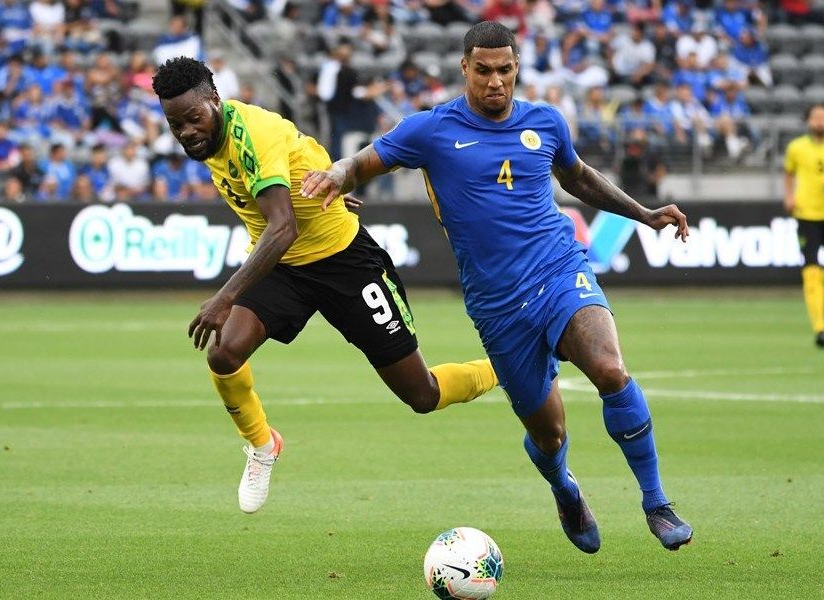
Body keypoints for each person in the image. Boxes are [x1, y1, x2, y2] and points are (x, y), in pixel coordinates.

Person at [301, 21, 693, 553]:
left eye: (505, 70)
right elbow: (364, 161)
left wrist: (643, 213)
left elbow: (576, 178)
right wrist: (335, 176)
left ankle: (656, 501)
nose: (495, 82)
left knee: (609, 368)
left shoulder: (546, 122)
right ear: (465, 68)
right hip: (497, 305)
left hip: (557, 268)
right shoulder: (431, 130)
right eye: (483, 70)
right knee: (548, 432)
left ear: (516, 69)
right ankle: (564, 487)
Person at [152, 57, 497, 514]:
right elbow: (300, 147)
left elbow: (282, 227)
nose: (186, 131)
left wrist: (225, 296)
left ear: (215, 100)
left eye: (194, 118)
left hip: (346, 264)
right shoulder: (213, 140)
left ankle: (507, 367)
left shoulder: (250, 134)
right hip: (284, 269)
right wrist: (321, 179)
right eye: (175, 124)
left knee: (423, 395)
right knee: (224, 353)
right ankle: (262, 445)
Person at [783, 103, 824, 349]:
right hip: (806, 214)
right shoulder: (796, 148)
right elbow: (788, 174)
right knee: (811, 270)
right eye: (816, 117)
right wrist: (789, 197)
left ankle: (823, 303)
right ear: (808, 121)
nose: (820, 121)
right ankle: (819, 328)